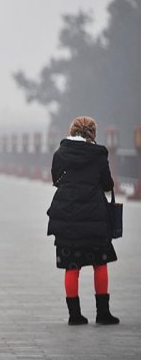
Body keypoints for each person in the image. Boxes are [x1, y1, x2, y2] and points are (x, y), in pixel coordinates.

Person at [46, 116, 119, 325]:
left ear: (72, 130)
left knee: (72, 266)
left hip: (66, 216)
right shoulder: (99, 154)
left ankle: (74, 315)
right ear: (93, 132)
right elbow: (107, 184)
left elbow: (56, 180)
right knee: (100, 262)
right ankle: (103, 313)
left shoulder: (60, 153)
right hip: (95, 217)